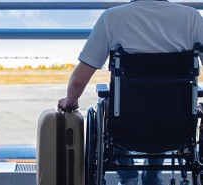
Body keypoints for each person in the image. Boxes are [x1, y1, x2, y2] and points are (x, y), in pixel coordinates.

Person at [58, 0, 203, 184]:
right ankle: (152, 176)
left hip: (126, 129)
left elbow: (78, 80)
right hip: (178, 129)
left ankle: (128, 179)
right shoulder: (191, 18)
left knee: (117, 104)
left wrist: (69, 102)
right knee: (165, 101)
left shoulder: (112, 18)